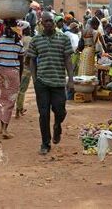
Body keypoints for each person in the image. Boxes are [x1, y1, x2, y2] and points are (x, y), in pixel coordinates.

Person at [27, 12, 74, 155]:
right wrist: (35, 79)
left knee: (60, 110)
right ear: (41, 23)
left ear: (54, 22)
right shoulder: (35, 40)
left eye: (51, 21)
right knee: (43, 113)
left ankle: (57, 125)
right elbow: (31, 61)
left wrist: (71, 79)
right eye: (45, 21)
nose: (48, 23)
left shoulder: (64, 38)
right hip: (42, 82)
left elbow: (68, 59)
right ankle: (45, 143)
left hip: (59, 82)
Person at [0, 19, 24, 139]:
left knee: (1, 99)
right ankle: (4, 129)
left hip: (0, 73)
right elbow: (21, 61)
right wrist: (19, 75)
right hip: (13, 74)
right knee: (10, 101)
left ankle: (2, 127)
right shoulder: (18, 43)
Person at [16, 21, 32, 119]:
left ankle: (19, 108)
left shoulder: (18, 39)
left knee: (17, 88)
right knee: (22, 89)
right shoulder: (29, 39)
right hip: (26, 67)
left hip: (16, 66)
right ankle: (19, 109)